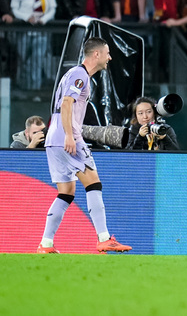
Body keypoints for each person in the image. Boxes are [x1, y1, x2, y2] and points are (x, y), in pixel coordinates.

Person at [38, 37, 132, 254]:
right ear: (96, 54)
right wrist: (70, 136)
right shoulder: (80, 74)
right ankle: (105, 238)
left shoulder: (73, 75)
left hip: (53, 140)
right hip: (66, 137)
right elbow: (67, 102)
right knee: (93, 184)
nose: (110, 57)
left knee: (66, 192)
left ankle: (46, 243)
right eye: (107, 53)